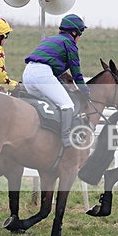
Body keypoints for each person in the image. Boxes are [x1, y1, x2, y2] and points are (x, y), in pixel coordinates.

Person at [22, 14, 89, 148]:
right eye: (80, 33)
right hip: (42, 75)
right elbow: (76, 74)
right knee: (67, 105)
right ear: (74, 32)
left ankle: (44, 137)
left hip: (27, 73)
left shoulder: (50, 39)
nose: (80, 37)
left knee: (48, 106)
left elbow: (54, 73)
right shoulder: (70, 43)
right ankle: (65, 138)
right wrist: (86, 91)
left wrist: (64, 86)